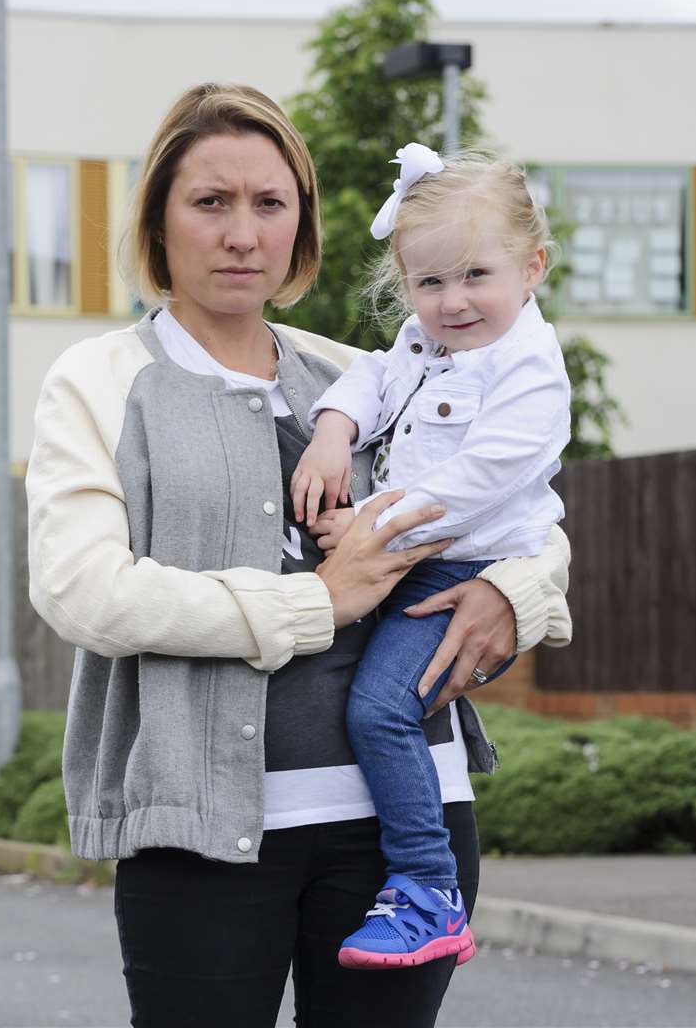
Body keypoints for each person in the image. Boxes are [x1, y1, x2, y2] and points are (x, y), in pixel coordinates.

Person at [25, 83, 572, 1028]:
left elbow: (518, 504)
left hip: (405, 833)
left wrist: (514, 593)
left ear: (300, 226)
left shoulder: (353, 375)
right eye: (210, 203)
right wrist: (315, 604)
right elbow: (84, 593)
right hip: (202, 835)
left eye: (269, 204)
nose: (242, 234)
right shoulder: (100, 381)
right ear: (158, 221)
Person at [289, 142, 572, 970]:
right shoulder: (425, 343)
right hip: (417, 557)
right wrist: (334, 430)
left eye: (475, 276)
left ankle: (425, 889)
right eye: (429, 282)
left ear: (532, 268)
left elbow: (480, 479)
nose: (451, 302)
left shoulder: (529, 371)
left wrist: (373, 526)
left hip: (453, 568)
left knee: (378, 709)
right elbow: (370, 378)